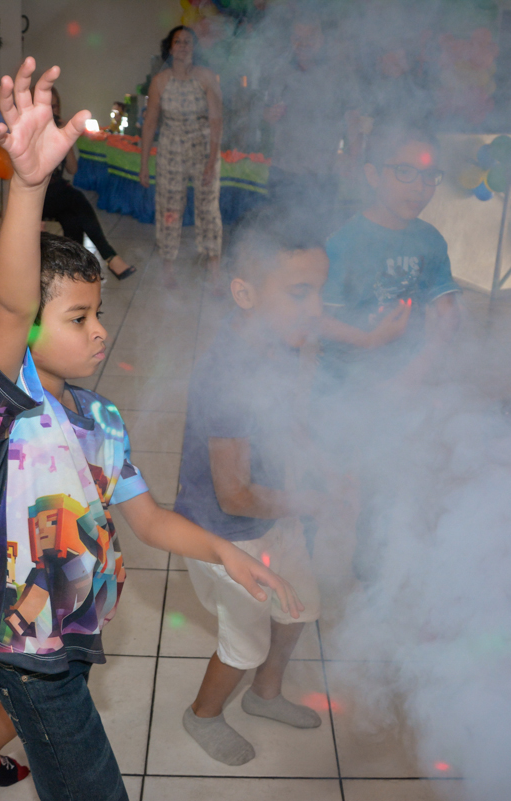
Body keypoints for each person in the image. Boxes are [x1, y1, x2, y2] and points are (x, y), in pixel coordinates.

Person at [0, 58, 301, 801]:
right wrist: (28, 184)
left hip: (77, 626)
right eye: (78, 317)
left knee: (44, 709)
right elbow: (11, 305)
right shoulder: (6, 406)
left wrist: (224, 553)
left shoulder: (100, 418)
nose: (100, 331)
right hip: (26, 644)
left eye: (99, 313)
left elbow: (146, 518)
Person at [174, 207, 342, 765]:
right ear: (245, 293)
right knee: (244, 643)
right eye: (299, 293)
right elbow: (235, 495)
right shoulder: (228, 375)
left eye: (320, 291)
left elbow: (289, 419)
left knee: (300, 607)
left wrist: (318, 466)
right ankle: (203, 715)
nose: (316, 308)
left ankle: (265, 696)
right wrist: (311, 503)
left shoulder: (282, 345)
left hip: (273, 512)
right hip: (226, 534)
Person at [315, 120, 459, 582]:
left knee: (383, 477)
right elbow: (317, 321)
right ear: (373, 174)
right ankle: (308, 566)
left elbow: (446, 315)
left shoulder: (430, 241)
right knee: (330, 479)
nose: (419, 187)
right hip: (341, 384)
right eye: (405, 172)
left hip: (400, 382)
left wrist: (414, 373)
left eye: (430, 176)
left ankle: (368, 568)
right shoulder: (344, 243)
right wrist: (369, 341)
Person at [139, 26, 224, 289]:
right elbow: (150, 123)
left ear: (194, 48)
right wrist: (144, 164)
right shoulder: (160, 81)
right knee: (169, 208)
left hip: (203, 148)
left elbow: (216, 120)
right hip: (171, 150)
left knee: (208, 208)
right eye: (178, 41)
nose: (183, 46)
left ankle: (214, 266)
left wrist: (212, 160)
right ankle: (168, 266)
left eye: (188, 42)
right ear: (170, 47)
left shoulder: (206, 77)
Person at [261, 13, 360, 219]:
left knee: (318, 231)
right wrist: (269, 114)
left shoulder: (339, 73)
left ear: (321, 40)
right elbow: (266, 114)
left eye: (310, 38)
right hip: (284, 170)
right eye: (298, 38)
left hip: (322, 173)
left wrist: (353, 158)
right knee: (278, 229)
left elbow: (353, 119)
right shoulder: (281, 72)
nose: (303, 43)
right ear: (291, 40)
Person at [44, 87, 134, 281]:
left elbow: (72, 169)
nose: (52, 111)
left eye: (55, 106)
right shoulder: (33, 134)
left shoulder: (60, 131)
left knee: (72, 219)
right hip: (39, 197)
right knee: (75, 197)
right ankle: (109, 256)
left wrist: (66, 140)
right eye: (48, 106)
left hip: (59, 195)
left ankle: (75, 271)